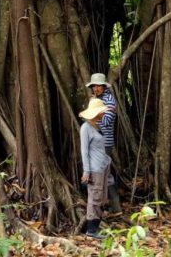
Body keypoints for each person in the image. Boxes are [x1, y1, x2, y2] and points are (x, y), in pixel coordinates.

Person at [86, 73, 122, 214]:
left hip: (104, 143)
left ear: (104, 86)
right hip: (94, 142)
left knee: (104, 174)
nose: (96, 88)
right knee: (102, 174)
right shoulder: (96, 100)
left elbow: (107, 121)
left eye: (99, 86)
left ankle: (113, 206)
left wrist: (93, 114)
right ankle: (106, 205)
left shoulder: (109, 101)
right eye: (94, 86)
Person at [79, 98, 111, 239]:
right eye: (101, 112)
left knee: (101, 197)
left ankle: (96, 228)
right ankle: (91, 231)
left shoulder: (97, 126)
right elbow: (84, 151)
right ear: (96, 113)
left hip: (103, 167)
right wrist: (87, 171)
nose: (103, 113)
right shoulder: (85, 128)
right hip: (94, 169)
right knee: (94, 198)